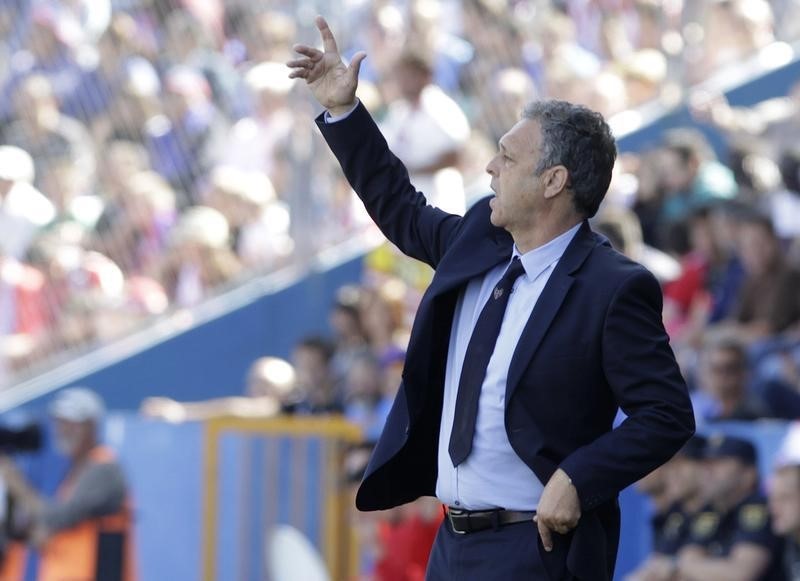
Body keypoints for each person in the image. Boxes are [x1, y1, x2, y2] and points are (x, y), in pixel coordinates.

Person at [289, 17, 694, 580]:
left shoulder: (612, 287)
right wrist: (344, 112)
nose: (489, 167)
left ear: (553, 181)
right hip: (451, 544)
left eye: (507, 156)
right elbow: (401, 208)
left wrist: (580, 477)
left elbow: (667, 414)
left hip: (535, 549)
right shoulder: (479, 236)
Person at [0, 387, 136, 581]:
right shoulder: (75, 470)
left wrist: (16, 484)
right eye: (60, 423)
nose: (64, 429)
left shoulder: (103, 468)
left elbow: (60, 517)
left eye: (73, 423)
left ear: (92, 426)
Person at [677, 435, 784, 581]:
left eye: (719, 463)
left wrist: (682, 566)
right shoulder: (711, 511)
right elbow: (686, 559)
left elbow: (739, 575)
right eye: (706, 464)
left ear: (748, 474)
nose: (708, 471)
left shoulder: (758, 508)